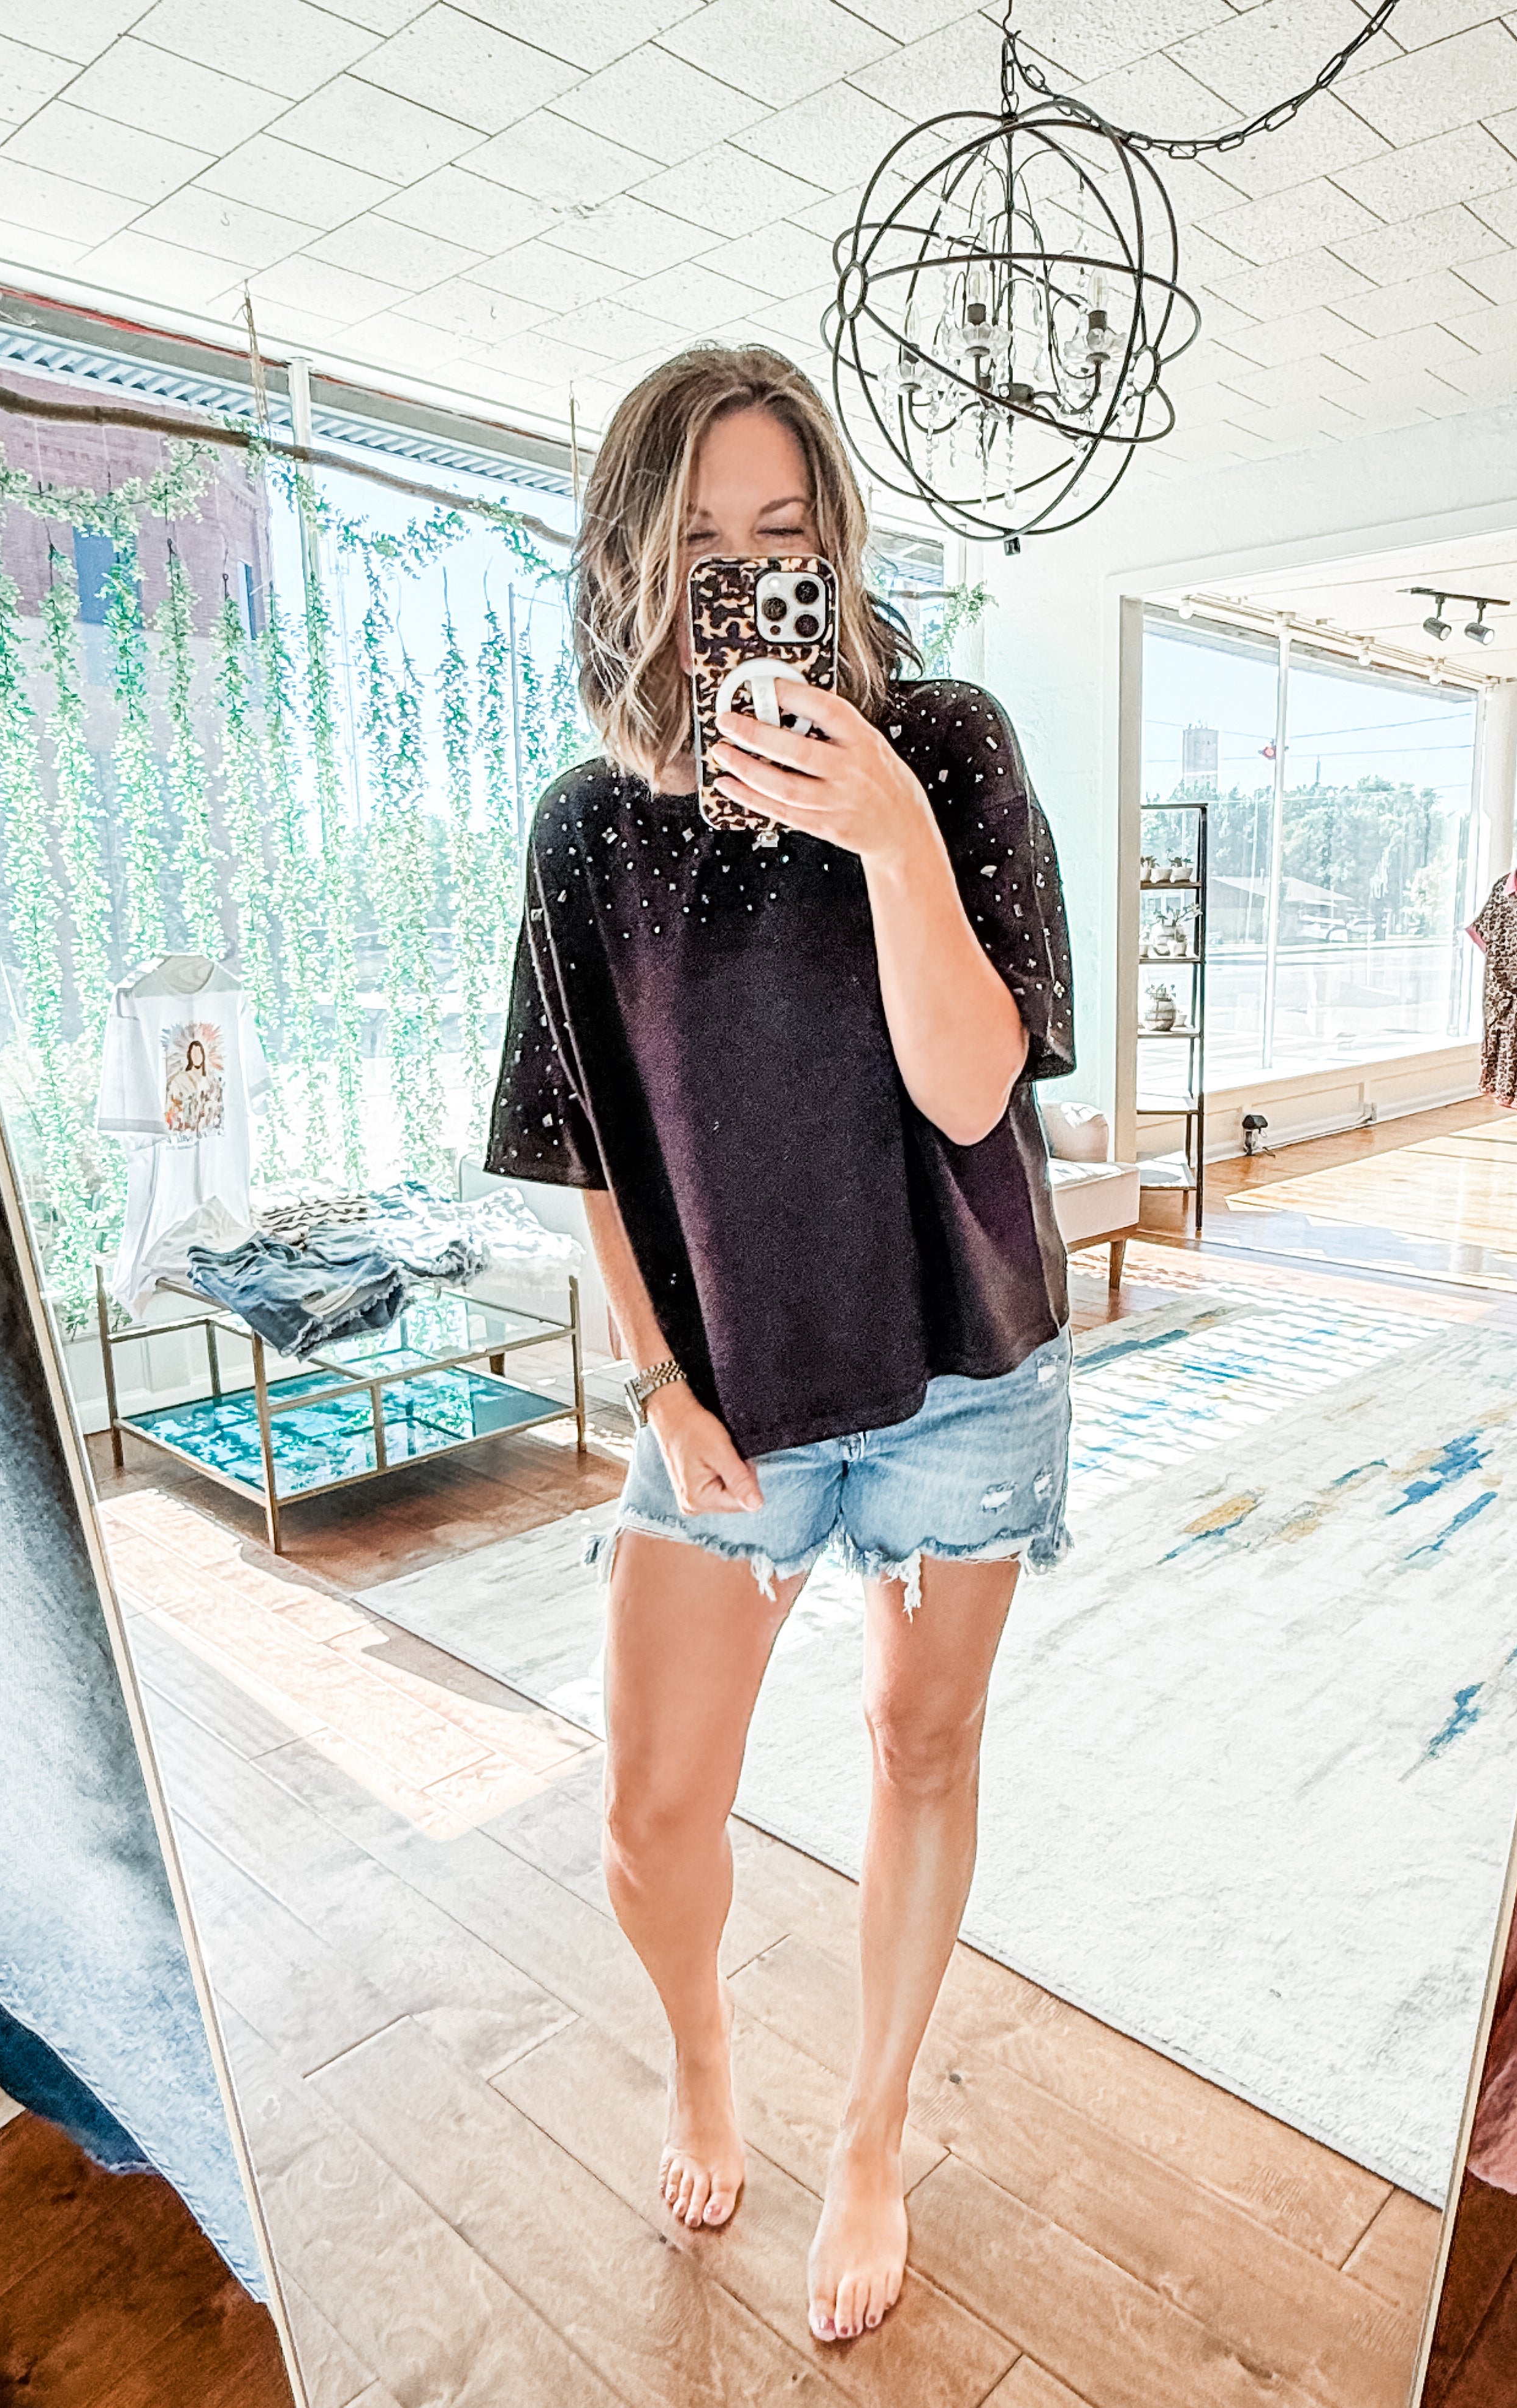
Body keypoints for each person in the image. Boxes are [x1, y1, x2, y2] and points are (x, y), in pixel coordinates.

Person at [486, 345, 1075, 2347]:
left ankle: (871, 2132)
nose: (744, 583)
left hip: (962, 1368)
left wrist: (891, 832)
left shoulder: (954, 749)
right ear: (636, 566)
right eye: (701, 547)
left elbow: (973, 1086)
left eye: (784, 537)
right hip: (727, 1390)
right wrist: (658, 1386)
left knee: (924, 1742)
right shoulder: (588, 831)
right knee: (653, 1815)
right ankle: (706, 2055)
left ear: (835, 551)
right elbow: (583, 1139)